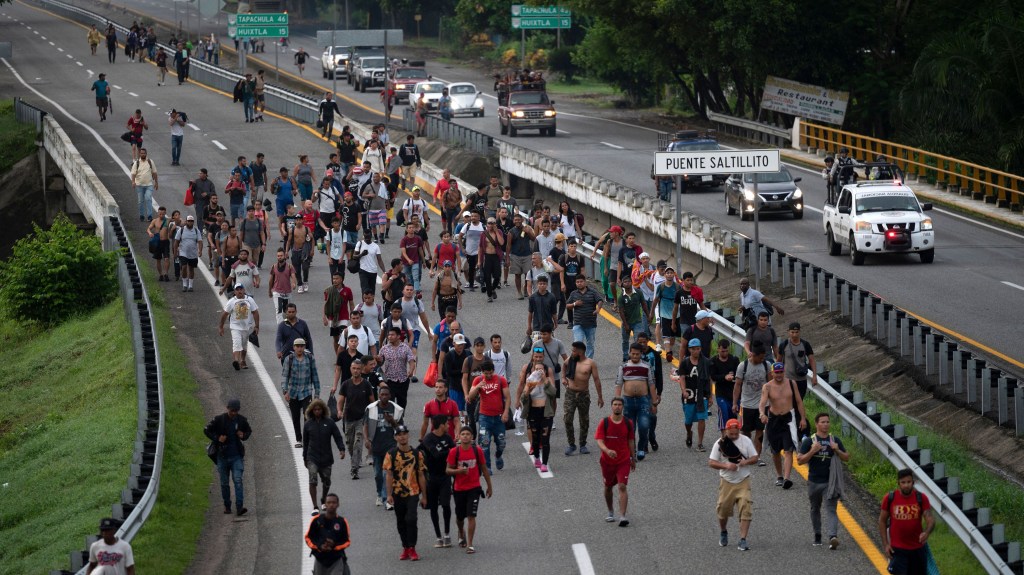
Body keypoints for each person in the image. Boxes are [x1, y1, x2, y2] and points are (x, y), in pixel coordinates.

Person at [797, 413, 850, 549]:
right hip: (814, 482)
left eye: (827, 422)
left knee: (831, 509)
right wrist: (812, 451)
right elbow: (800, 460)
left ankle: (833, 536)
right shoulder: (810, 441)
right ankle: (817, 535)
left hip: (830, 482)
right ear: (816, 424)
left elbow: (846, 457)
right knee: (815, 508)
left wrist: (837, 449)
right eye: (823, 422)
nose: (826, 424)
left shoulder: (834, 439)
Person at [708, 418, 759, 551]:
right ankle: (724, 531)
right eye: (731, 434)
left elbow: (755, 458)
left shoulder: (746, 441)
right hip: (727, 481)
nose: (734, 436)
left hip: (743, 480)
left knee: (746, 507)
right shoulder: (720, 444)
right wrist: (725, 465)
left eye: (736, 434)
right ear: (726, 431)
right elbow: (711, 462)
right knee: (723, 510)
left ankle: (743, 539)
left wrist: (745, 462)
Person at [759, 361, 808, 489]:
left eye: (781, 372)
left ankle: (787, 478)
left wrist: (803, 418)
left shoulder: (792, 383)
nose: (779, 375)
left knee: (788, 450)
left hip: (788, 420)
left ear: (784, 372)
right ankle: (780, 476)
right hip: (773, 420)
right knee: (775, 451)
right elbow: (762, 403)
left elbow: (798, 402)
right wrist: (762, 414)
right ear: (772, 373)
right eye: (777, 372)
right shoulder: (767, 387)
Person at [446, 426, 494, 554]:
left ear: (472, 437)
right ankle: (461, 532)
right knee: (460, 517)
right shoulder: (454, 452)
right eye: (463, 434)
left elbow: (484, 468)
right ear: (459, 437)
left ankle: (470, 544)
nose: (465, 436)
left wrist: (489, 486)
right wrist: (458, 471)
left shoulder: (477, 451)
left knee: (471, 515)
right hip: (459, 488)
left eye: (468, 434)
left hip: (474, 488)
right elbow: (448, 470)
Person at [383, 425, 428, 561]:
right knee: (401, 521)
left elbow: (421, 474)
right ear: (395, 437)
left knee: (411, 519)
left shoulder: (416, 454)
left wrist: (424, 496)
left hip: (413, 491)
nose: (402, 436)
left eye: (404, 434)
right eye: (399, 434)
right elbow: (389, 475)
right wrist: (389, 494)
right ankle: (405, 547)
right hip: (397, 492)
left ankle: (412, 547)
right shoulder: (391, 454)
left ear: (408, 435)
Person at [879, 468, 935, 575]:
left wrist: (927, 532)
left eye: (909, 482)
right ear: (898, 483)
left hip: (917, 549)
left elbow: (930, 518)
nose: (906, 485)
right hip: (898, 550)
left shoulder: (921, 498)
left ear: (913, 482)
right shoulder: (890, 498)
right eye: (903, 482)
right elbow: (882, 521)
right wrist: (886, 544)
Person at [204, 398, 253, 516]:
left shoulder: (242, 420)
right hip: (222, 456)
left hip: (236, 456)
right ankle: (227, 506)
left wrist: (243, 435)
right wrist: (217, 439)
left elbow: (248, 431)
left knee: (238, 480)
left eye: (236, 411)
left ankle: (239, 506)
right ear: (227, 409)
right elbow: (206, 430)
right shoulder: (218, 420)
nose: (234, 413)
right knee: (224, 483)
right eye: (232, 411)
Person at [595, 397, 635, 527]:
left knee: (622, 486)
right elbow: (599, 441)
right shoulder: (604, 422)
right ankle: (610, 511)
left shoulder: (628, 423)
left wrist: (633, 458)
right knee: (608, 487)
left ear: (623, 407)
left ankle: (622, 516)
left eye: (619, 405)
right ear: (611, 407)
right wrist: (607, 450)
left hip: (623, 460)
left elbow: (630, 441)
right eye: (615, 404)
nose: (617, 407)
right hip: (607, 462)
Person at [615, 344, 659, 461]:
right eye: (633, 353)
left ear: (641, 354)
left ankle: (641, 448)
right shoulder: (623, 366)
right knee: (630, 428)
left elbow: (652, 384)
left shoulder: (646, 366)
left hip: (643, 401)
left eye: (637, 354)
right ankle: (631, 450)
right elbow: (619, 384)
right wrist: (617, 401)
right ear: (629, 353)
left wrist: (654, 402)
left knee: (644, 426)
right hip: (628, 401)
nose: (635, 356)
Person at [364, 386, 405, 508]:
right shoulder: (371, 409)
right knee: (377, 474)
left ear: (390, 396)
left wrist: (392, 421)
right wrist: (367, 440)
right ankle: (379, 494)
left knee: (386, 473)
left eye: (386, 395)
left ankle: (387, 498)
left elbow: (400, 429)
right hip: (375, 446)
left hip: (390, 446)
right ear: (379, 395)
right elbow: (365, 425)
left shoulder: (395, 409)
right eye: (382, 395)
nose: (384, 397)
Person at [303, 399, 345, 514]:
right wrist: (305, 458)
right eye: (315, 410)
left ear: (323, 410)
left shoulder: (329, 422)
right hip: (312, 457)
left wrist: (342, 449)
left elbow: (337, 436)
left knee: (327, 481)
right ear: (312, 411)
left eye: (319, 409)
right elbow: (305, 442)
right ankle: (315, 506)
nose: (317, 411)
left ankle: (323, 499)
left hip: (326, 458)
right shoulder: (308, 424)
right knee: (312, 481)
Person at [333, 359, 373, 480]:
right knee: (350, 444)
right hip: (348, 419)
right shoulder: (346, 384)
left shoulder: (366, 384)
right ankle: (355, 459)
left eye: (358, 369)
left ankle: (354, 469)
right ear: (351, 369)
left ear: (361, 370)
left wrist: (372, 415)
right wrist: (339, 411)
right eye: (353, 368)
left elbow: (372, 401)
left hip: (362, 419)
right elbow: (340, 401)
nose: (356, 371)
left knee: (358, 442)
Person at [420, 415, 456, 548]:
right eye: (447, 424)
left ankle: (447, 534)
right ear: (441, 425)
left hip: (445, 476)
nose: (448, 426)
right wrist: (450, 451)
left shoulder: (447, 438)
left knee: (446, 504)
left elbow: (455, 452)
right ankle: (438, 536)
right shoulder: (428, 439)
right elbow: (436, 455)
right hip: (431, 478)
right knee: (433, 507)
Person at [467, 360, 510, 472]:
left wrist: (505, 412)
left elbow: (508, 397)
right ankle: (487, 467)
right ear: (482, 372)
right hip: (484, 418)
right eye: (486, 373)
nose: (489, 375)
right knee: (484, 443)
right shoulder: (478, 380)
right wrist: (477, 387)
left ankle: (498, 455)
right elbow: (470, 397)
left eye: (490, 373)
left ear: (493, 371)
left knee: (501, 442)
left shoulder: (501, 380)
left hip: (499, 417)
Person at [562, 341, 603, 456]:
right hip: (570, 393)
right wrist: (563, 378)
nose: (572, 352)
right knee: (568, 419)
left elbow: (596, 380)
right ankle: (571, 444)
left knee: (584, 420)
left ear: (580, 352)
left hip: (583, 394)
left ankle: (583, 444)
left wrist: (600, 397)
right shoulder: (570, 360)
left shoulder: (590, 363)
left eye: (574, 351)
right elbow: (564, 366)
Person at [733, 341, 770, 464]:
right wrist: (735, 403)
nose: (762, 359)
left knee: (760, 431)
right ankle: (747, 453)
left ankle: (757, 457)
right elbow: (737, 385)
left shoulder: (766, 365)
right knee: (745, 431)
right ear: (753, 355)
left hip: (763, 405)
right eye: (760, 357)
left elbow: (771, 384)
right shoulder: (742, 366)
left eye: (763, 357)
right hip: (746, 404)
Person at [674, 337, 712, 452]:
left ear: (700, 349)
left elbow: (709, 379)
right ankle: (689, 432)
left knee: (702, 418)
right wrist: (684, 390)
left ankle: (700, 443)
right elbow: (682, 377)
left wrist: (710, 396)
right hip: (689, 394)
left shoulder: (706, 362)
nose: (695, 351)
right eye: (693, 349)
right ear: (689, 350)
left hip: (702, 394)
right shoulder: (685, 362)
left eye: (697, 349)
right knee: (688, 420)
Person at [282, 338, 321, 448]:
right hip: (293, 392)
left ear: (304, 347)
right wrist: (285, 391)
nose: (299, 348)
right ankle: (298, 439)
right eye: (297, 346)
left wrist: (317, 393)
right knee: (295, 416)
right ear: (294, 347)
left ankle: (307, 439)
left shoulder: (309, 358)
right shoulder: (289, 359)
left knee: (307, 416)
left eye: (301, 346)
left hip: (306, 391)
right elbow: (285, 376)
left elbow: (315, 375)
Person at [520, 353, 556, 472]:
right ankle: (536, 457)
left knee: (545, 439)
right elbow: (523, 399)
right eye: (536, 369)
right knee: (535, 438)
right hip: (533, 412)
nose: (539, 371)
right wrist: (528, 390)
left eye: (541, 369)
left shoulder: (548, 380)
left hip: (546, 413)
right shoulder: (530, 381)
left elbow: (553, 393)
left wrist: (545, 379)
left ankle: (545, 463)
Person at [304, 493, 352, 575]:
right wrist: (319, 546)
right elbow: (308, 538)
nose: (331, 505)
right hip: (320, 560)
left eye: (334, 502)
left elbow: (346, 541)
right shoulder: (317, 520)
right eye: (329, 503)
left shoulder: (342, 522)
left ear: (338, 504)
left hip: (336, 559)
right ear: (325, 505)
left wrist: (334, 545)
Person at [219, 284, 260, 371]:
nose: (239, 291)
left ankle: (243, 360)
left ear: (244, 290)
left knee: (244, 345)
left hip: (246, 327)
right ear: (234, 292)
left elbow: (255, 312)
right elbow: (225, 314)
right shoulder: (231, 302)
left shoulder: (249, 300)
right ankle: (236, 361)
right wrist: (221, 326)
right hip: (235, 327)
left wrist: (257, 326)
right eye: (237, 289)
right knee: (237, 343)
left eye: (241, 289)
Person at [377, 327, 417, 409]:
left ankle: (400, 420)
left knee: (402, 404)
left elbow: (411, 361)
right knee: (389, 403)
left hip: (403, 380)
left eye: (392, 335)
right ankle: (390, 419)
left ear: (398, 336)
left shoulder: (405, 348)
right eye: (389, 335)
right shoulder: (384, 349)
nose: (389, 337)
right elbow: (380, 363)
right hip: (389, 380)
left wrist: (411, 370)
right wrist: (378, 360)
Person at [708, 339, 740, 436]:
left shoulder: (734, 360)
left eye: (726, 351)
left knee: (733, 417)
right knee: (723, 413)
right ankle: (724, 437)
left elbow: (739, 376)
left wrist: (733, 377)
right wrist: (724, 377)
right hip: (721, 394)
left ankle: (732, 436)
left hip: (733, 394)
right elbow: (713, 377)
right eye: (722, 351)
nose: (724, 353)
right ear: (718, 349)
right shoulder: (713, 361)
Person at [567, 275, 603, 359]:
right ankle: (578, 360)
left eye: (581, 281)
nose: (579, 283)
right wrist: (575, 304)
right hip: (578, 323)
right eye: (577, 282)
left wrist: (598, 309)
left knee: (590, 344)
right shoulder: (573, 293)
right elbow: (568, 305)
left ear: (585, 282)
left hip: (591, 323)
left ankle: (588, 361)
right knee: (578, 343)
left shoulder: (593, 292)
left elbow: (600, 300)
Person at [779, 322, 817, 399]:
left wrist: (814, 376)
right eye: (792, 332)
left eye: (797, 332)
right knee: (789, 402)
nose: (794, 335)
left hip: (801, 380)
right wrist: (778, 377)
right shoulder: (784, 344)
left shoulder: (805, 344)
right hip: (787, 379)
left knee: (799, 402)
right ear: (788, 332)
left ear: (800, 331)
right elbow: (778, 361)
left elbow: (812, 360)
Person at [617, 275, 649, 361]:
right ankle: (625, 356)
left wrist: (648, 315)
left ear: (631, 282)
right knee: (625, 341)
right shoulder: (621, 297)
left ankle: (639, 356)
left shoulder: (638, 293)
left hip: (637, 321)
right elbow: (621, 311)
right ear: (622, 284)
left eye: (629, 281)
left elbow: (643, 304)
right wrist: (626, 324)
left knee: (637, 340)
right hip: (626, 322)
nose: (627, 283)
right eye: (625, 282)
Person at [650, 266, 678, 359]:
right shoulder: (661, 287)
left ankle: (669, 348)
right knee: (666, 334)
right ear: (665, 275)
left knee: (673, 337)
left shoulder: (677, 287)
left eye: (671, 273)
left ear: (674, 274)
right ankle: (668, 352)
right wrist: (651, 313)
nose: (669, 274)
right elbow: (655, 300)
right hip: (664, 313)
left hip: (675, 314)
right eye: (668, 273)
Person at [173, 215, 203, 292]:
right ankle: (184, 284)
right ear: (186, 221)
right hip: (183, 252)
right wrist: (175, 252)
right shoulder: (181, 230)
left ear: (193, 222)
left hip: (193, 253)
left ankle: (190, 285)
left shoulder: (196, 231)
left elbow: (200, 241)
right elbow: (176, 241)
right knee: (184, 267)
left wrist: (200, 250)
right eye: (188, 221)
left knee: (191, 269)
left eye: (191, 221)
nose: (190, 222)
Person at [129, 148, 157, 222]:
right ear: (139, 154)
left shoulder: (150, 162)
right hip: (139, 185)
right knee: (140, 201)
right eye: (141, 153)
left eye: (144, 153)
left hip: (149, 185)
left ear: (146, 154)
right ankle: (141, 215)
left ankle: (150, 216)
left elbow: (154, 172)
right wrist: (133, 182)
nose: (143, 154)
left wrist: (156, 183)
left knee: (148, 198)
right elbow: (133, 173)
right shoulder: (136, 163)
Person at [146, 206, 172, 281]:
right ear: (158, 213)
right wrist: (150, 233)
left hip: (165, 242)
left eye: (163, 214)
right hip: (158, 242)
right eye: (160, 214)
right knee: (158, 259)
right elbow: (148, 229)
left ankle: (166, 274)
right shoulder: (154, 221)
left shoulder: (167, 220)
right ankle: (160, 274)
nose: (161, 215)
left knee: (166, 258)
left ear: (165, 213)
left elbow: (177, 219)